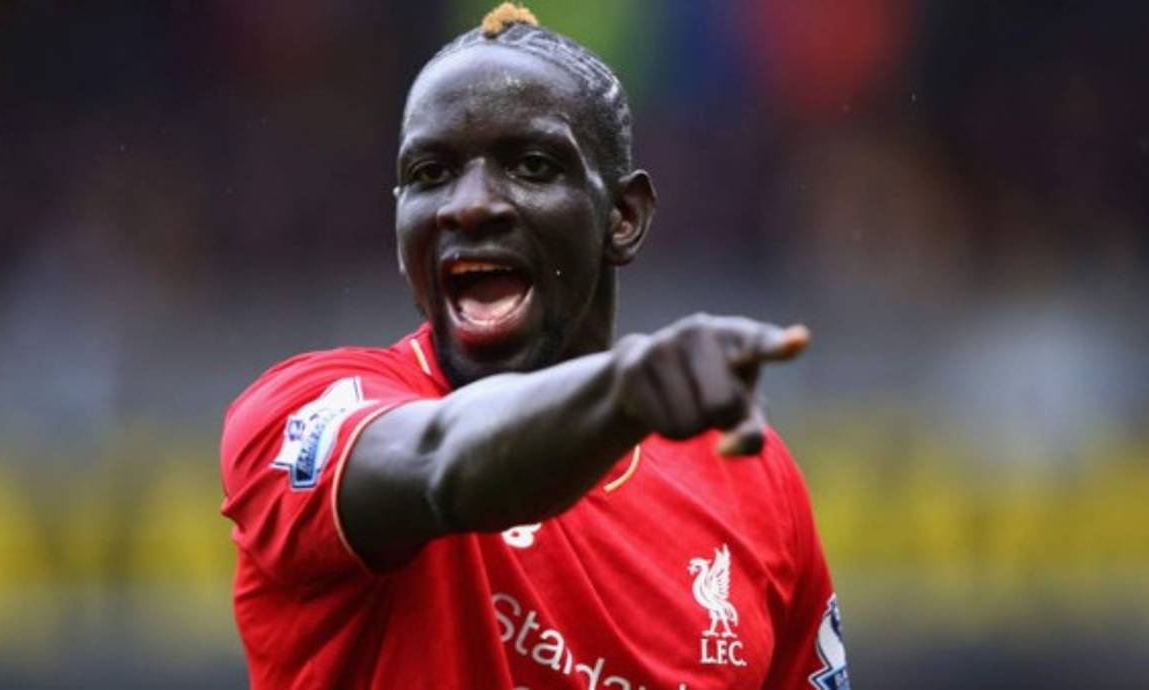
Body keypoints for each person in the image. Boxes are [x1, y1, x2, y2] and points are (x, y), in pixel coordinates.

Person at [220, 4, 850, 689]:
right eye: (431, 174)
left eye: (531, 165)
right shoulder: (298, 413)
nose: (468, 205)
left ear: (624, 218)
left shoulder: (751, 482)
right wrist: (627, 392)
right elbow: (443, 464)